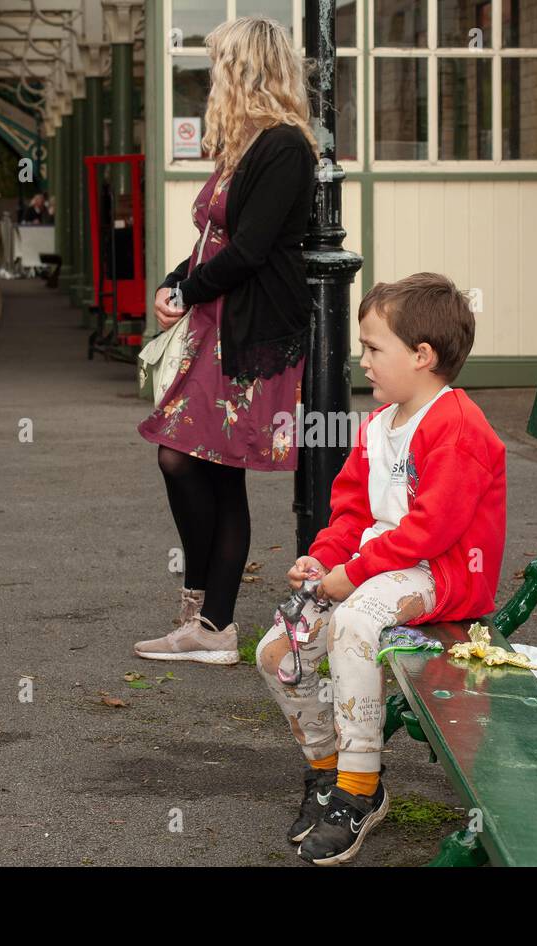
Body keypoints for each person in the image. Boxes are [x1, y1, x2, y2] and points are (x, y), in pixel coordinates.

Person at [254, 272, 507, 865]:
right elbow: (351, 512)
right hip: (383, 567)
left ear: (422, 356)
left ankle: (360, 789)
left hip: (440, 574)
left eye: (373, 348)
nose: (361, 359)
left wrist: (355, 574)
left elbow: (432, 530)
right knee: (278, 649)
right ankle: (325, 772)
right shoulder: (377, 426)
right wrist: (325, 558)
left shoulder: (458, 428)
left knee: (353, 624)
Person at [134, 16, 319, 665]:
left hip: (252, 331)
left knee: (190, 462)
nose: (212, 79)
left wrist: (187, 293)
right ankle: (207, 623)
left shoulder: (287, 148)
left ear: (248, 72)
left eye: (221, 66)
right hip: (219, 325)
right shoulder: (245, 147)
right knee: (205, 469)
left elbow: (249, 250)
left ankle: (211, 623)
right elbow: (212, 244)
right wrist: (170, 282)